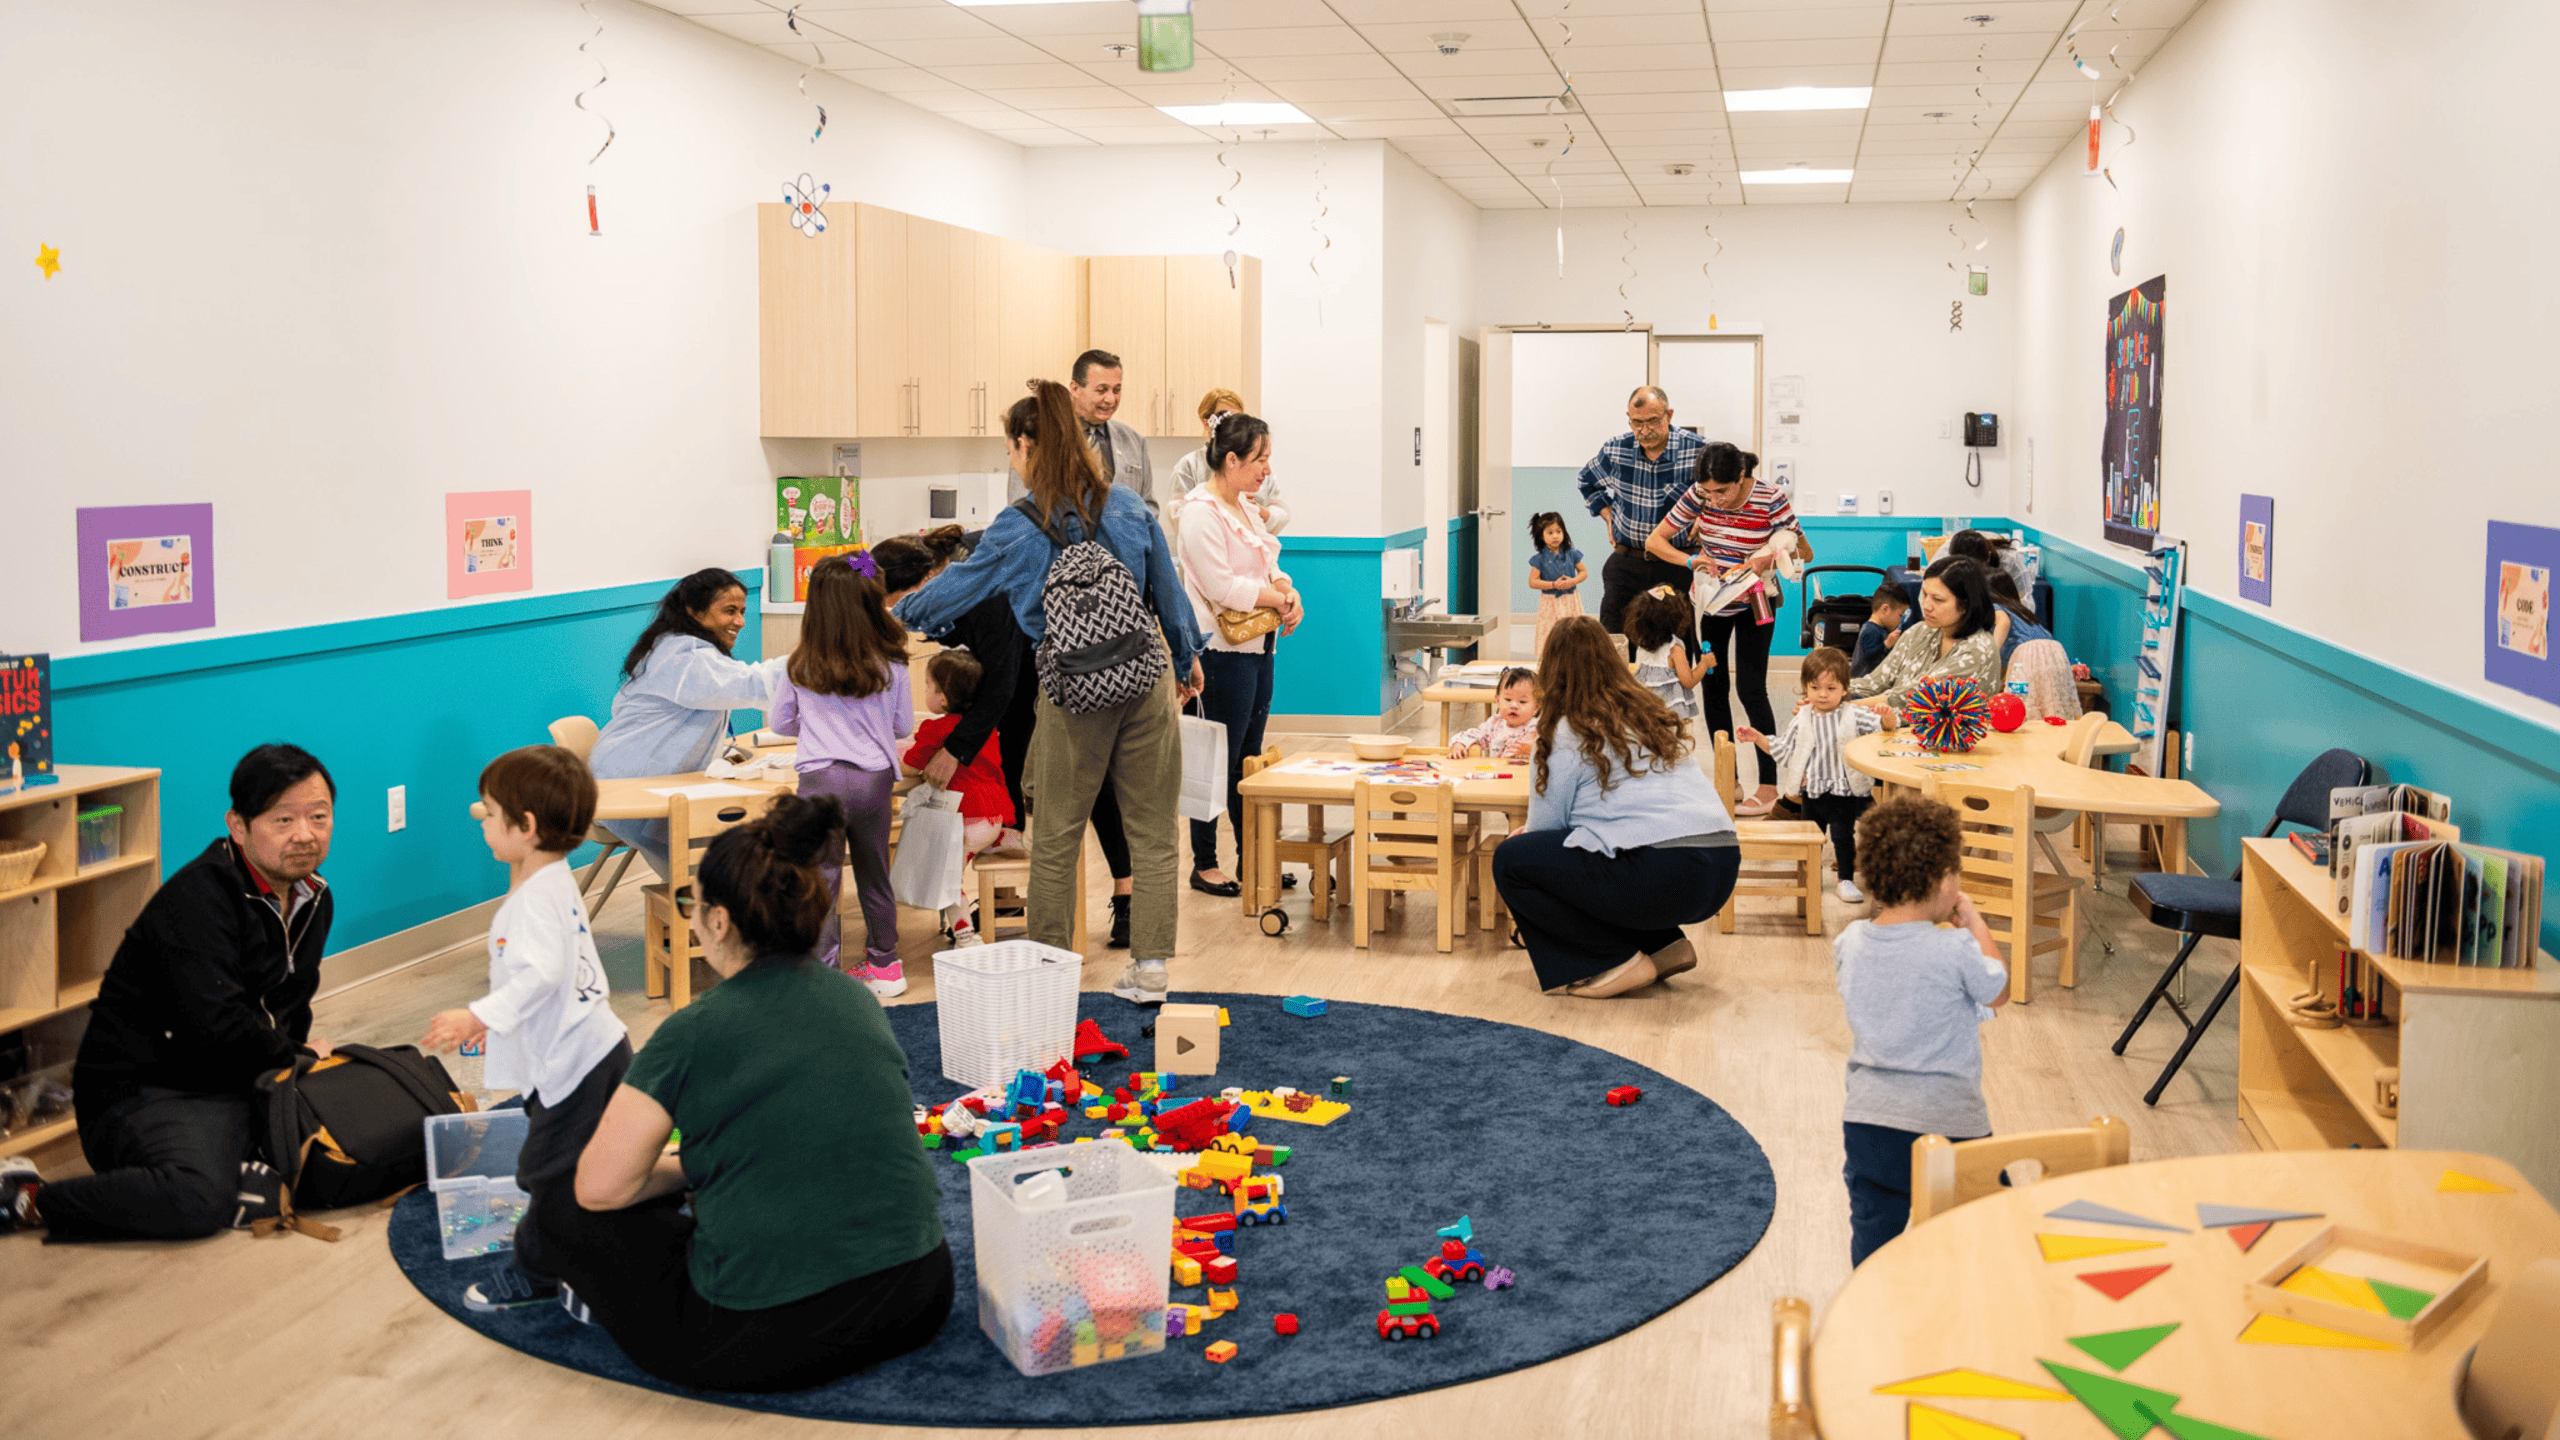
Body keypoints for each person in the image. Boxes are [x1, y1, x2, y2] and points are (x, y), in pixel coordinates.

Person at [554, 794, 952, 1391]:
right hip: (919, 1294)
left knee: (567, 1207)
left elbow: (601, 1187)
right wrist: (696, 1165)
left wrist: (678, 1169)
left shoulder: (689, 1032)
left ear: (718, 921)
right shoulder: (856, 999)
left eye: (690, 902)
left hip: (762, 1334)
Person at [896, 380, 1204, 1005]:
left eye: (1011, 447)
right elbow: (1168, 597)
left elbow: (943, 599)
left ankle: (1051, 973)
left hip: (1072, 692)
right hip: (1143, 680)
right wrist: (1188, 659)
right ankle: (1149, 970)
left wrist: (903, 608)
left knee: (1058, 833)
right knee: (1152, 832)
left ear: (1026, 444)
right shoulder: (1128, 508)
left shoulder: (1015, 527)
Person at [4, 745, 336, 1240]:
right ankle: (27, 1198)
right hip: (146, 1089)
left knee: (340, 1141)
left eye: (319, 816)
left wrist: (299, 1066)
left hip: (233, 1076)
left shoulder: (313, 896)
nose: (305, 834)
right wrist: (295, 1056)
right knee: (198, 1200)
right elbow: (218, 1025)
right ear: (238, 826)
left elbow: (292, 1003)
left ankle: (239, 1160)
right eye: (283, 819)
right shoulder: (199, 899)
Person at [420, 745, 628, 1312]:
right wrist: (499, 1020)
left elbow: (542, 973)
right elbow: (544, 976)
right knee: (589, 1161)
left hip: (574, 1062)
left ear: (527, 826)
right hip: (597, 1046)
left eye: (489, 812)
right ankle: (604, 1253)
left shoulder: (535, 898)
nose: (482, 821)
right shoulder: (554, 877)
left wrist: (478, 1014)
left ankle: (538, 1273)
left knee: (547, 1173)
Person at [1491, 617, 1740, 999]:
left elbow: (1547, 824)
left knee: (1512, 860)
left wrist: (1528, 837)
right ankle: (1663, 945)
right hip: (1721, 865)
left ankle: (1611, 961)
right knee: (1601, 854)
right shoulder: (1648, 711)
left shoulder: (1563, 728)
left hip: (1663, 873)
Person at [1835, 795, 2009, 1265]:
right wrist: (1974, 920)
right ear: (1945, 879)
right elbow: (1997, 989)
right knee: (1978, 1229)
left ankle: (1872, 1310)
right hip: (1948, 1121)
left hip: (1868, 1120)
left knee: (1874, 1236)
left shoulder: (1849, 943)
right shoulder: (1953, 949)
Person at [769, 552, 914, 992]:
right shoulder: (893, 662)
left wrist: (813, 725)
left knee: (821, 881)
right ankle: (886, 967)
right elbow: (903, 725)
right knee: (874, 873)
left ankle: (823, 974)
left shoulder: (800, 663)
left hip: (819, 783)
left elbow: (779, 723)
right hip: (874, 780)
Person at [1649, 440, 1812, 817]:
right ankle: (1730, 780)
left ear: (1741, 477)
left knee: (1752, 689)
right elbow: (1654, 541)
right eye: (1708, 492)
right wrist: (1691, 560)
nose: (1715, 500)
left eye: (1722, 491)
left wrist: (1768, 556)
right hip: (1710, 603)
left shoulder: (1771, 498)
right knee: (1714, 686)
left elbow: (1806, 553)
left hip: (1757, 600)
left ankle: (1769, 787)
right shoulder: (1698, 495)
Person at [1175, 411, 1301, 896]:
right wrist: (1278, 600)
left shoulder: (1245, 506)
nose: (1266, 470)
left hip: (1257, 646)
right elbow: (1219, 584)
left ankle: (1253, 860)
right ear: (1231, 460)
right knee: (1214, 762)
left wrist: (1290, 592)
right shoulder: (1200, 513)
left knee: (1249, 759)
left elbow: (1270, 560)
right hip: (1219, 654)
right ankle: (1205, 864)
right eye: (1259, 459)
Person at [589, 568, 785, 880]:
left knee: (737, 843)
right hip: (630, 783)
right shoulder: (683, 657)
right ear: (694, 611)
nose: (740, 622)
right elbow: (751, 684)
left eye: (743, 611)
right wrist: (813, 660)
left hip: (640, 776)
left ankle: (704, 914)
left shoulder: (685, 649)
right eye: (729, 611)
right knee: (721, 862)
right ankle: (694, 918)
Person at [1738, 648, 1898, 904]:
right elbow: (1783, 750)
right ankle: (1809, 875)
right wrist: (1757, 737)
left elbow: (1882, 726)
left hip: (1844, 793)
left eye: (1831, 688)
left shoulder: (1853, 714)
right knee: (1811, 838)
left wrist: (1887, 718)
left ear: (1845, 689)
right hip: (1811, 793)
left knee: (1843, 837)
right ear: (1806, 688)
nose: (1822, 695)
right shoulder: (1802, 719)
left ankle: (1845, 880)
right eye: (1815, 687)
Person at [902, 650, 1024, 952]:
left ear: (943, 699)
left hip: (968, 820)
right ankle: (1020, 841)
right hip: (995, 817)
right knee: (985, 841)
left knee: (948, 875)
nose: (925, 692)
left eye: (928, 686)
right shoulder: (984, 729)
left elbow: (909, 766)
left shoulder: (937, 730)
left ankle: (966, 936)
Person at [1576, 386, 1707, 658]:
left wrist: (1705, 517)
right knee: (1615, 643)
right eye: (1637, 423)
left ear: (1669, 415)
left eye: (1653, 422)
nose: (1645, 431)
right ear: (1629, 419)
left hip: (1678, 561)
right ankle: (1621, 698)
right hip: (1629, 560)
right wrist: (1607, 513)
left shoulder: (1698, 450)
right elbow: (1586, 481)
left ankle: (1678, 696)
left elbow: (1721, 493)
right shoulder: (1615, 450)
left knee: (1683, 642)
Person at [1850, 557, 2004, 711]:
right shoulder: (1921, 631)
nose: (1926, 605)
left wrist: (1845, 707)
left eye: (1937, 599)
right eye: (1924, 595)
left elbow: (1908, 698)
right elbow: (1874, 683)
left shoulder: (1978, 650)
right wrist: (1834, 689)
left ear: (1965, 606)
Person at [1167, 388, 1289, 545]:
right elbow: (1178, 517)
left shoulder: (1258, 466)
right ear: (1207, 424)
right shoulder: (1189, 466)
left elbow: (1282, 513)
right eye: (1225, 419)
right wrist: (1226, 508)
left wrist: (1260, 512)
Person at [1065, 348, 1157, 519]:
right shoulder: (1044, 438)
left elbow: (1148, 507)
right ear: (1075, 389)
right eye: (1101, 390)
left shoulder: (1135, 442)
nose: (1110, 399)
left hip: (1125, 544)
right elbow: (1023, 510)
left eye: (1116, 390)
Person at [1626, 585, 1714, 720]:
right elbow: (1688, 681)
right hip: (1668, 712)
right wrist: (1704, 664)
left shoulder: (1641, 645)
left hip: (1644, 709)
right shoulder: (1675, 649)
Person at [1526, 511, 1587, 657]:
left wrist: (1573, 581)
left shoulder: (1572, 553)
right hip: (1550, 602)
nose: (1555, 536)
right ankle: (1551, 661)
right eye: (1550, 532)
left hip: (1571, 599)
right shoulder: (1539, 558)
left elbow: (1584, 572)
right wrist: (1553, 584)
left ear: (1564, 533)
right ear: (1541, 536)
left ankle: (1574, 659)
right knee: (1550, 633)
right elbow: (1533, 582)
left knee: (1574, 631)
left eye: (1558, 531)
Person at [1448, 667, 1538, 760]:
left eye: (1522, 701)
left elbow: (1550, 754)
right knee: (1476, 770)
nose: (1514, 705)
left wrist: (1534, 749)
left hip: (1524, 773)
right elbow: (1474, 734)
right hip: (1493, 770)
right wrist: (1459, 744)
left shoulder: (1537, 728)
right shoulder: (1495, 723)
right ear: (1498, 701)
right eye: (1508, 699)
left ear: (1536, 707)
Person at [1851, 585, 1914, 680]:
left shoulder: (1880, 628)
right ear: (1885, 609)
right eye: (1900, 616)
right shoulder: (1870, 631)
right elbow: (1870, 659)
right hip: (1862, 682)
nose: (1900, 621)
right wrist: (1887, 644)